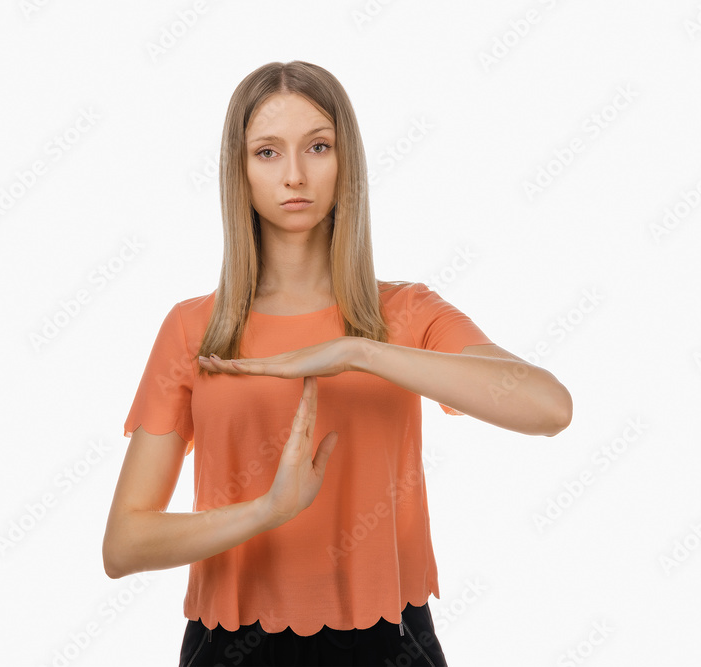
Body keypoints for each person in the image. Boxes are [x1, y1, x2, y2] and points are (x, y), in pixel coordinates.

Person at [102, 60, 573, 667]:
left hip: (386, 640)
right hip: (231, 644)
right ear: (237, 171)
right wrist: (269, 510)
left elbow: (549, 407)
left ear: (345, 160)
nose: (295, 174)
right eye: (267, 152)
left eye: (317, 147)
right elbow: (124, 544)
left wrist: (360, 350)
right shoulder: (195, 329)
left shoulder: (403, 312)